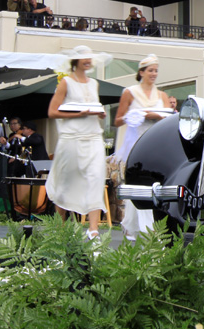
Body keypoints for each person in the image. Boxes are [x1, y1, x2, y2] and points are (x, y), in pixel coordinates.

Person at [45, 45, 111, 241]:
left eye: (90, 57)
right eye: (84, 57)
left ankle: (93, 231)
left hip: (93, 137)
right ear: (76, 61)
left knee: (95, 178)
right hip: (71, 139)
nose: (88, 60)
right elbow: (52, 112)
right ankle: (60, 228)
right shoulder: (66, 82)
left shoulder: (95, 84)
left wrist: (99, 114)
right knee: (67, 182)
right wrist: (79, 113)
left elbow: (94, 107)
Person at [114, 54, 171, 240]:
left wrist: (157, 115)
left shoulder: (161, 95)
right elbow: (117, 120)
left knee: (153, 183)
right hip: (136, 143)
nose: (154, 74)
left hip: (155, 144)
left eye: (156, 70)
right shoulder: (129, 92)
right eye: (150, 70)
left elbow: (168, 118)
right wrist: (133, 116)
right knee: (138, 183)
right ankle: (137, 226)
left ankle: (152, 226)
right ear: (141, 72)